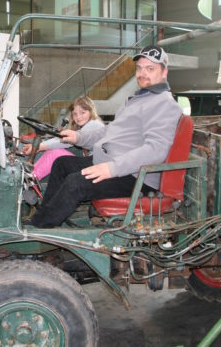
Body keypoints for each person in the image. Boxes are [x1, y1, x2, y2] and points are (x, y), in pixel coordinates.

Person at [24, 45, 182, 228]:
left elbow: (156, 150)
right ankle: (46, 214)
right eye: (139, 68)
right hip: (113, 162)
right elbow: (109, 131)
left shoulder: (164, 104)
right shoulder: (137, 99)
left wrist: (111, 169)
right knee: (61, 164)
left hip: (136, 176)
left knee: (75, 183)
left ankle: (41, 227)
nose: (142, 73)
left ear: (164, 72)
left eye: (150, 68)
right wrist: (78, 137)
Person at [21, 96, 104, 181]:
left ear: (91, 112)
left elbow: (66, 141)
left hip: (96, 167)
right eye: (75, 114)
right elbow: (62, 139)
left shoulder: (94, 125)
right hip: (90, 163)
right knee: (53, 151)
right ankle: (30, 174)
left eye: (82, 112)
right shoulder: (83, 128)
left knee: (55, 154)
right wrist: (41, 146)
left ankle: (31, 178)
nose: (78, 117)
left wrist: (38, 147)